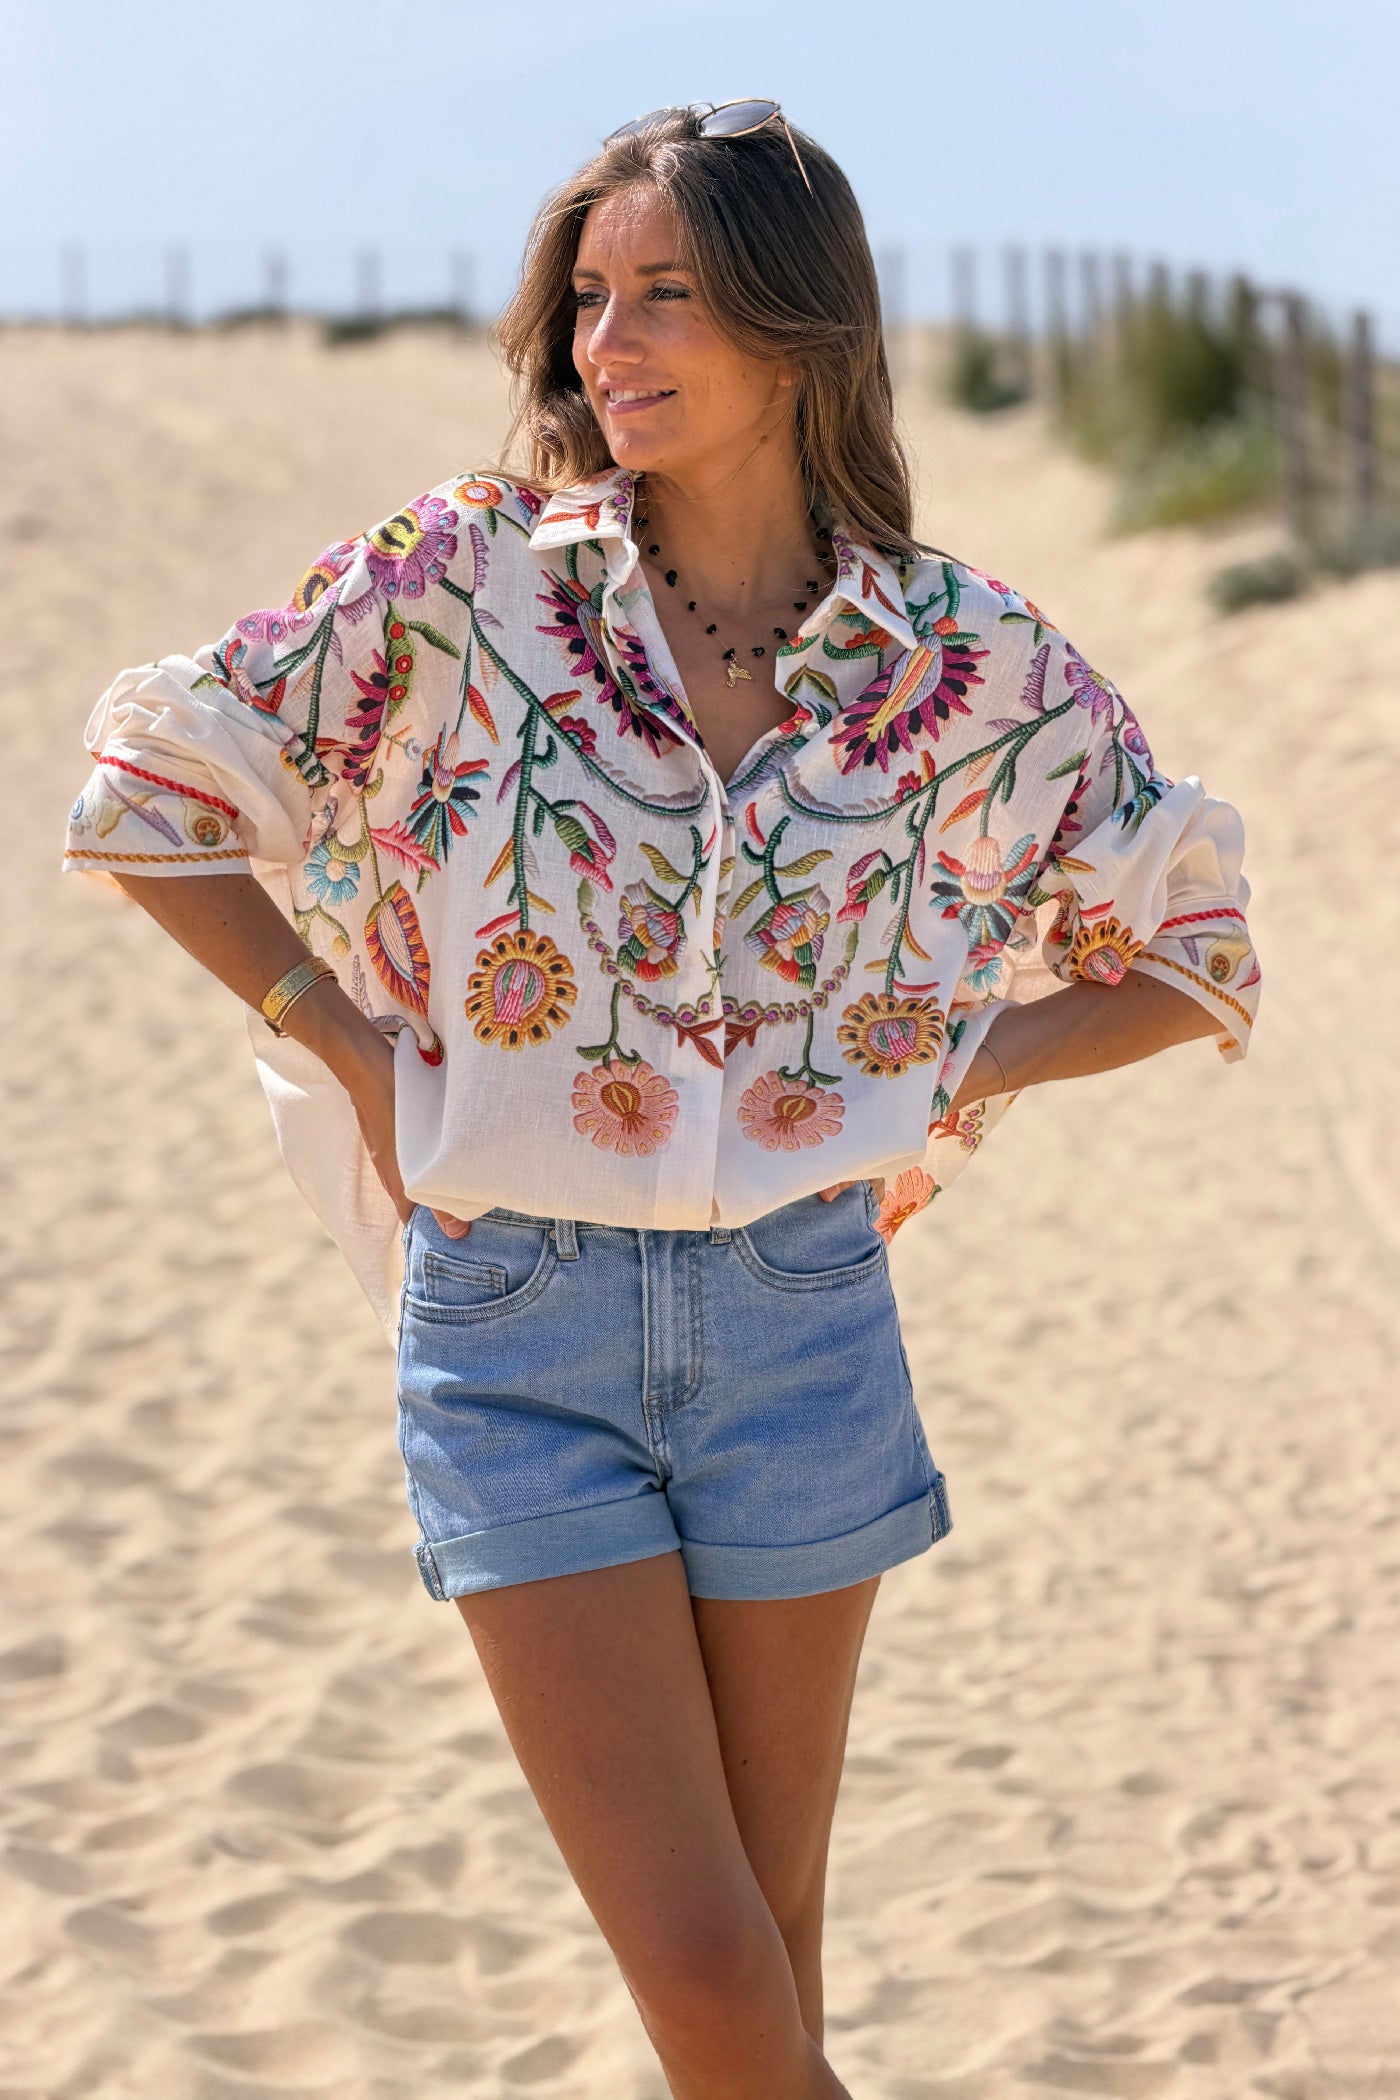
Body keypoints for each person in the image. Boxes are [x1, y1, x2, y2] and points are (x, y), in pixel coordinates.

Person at [64, 101, 1259, 2100]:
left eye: (665, 298)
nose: (606, 345)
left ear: (802, 327)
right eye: (588, 302)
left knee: (768, 1975)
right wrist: (347, 1047)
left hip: (804, 1328)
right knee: (713, 1984)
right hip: (512, 1335)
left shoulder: (960, 661)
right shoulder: (464, 585)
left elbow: (1188, 941)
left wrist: (971, 1057)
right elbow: (151, 804)